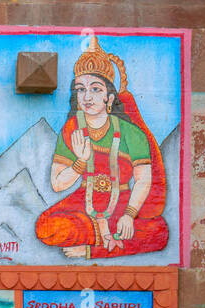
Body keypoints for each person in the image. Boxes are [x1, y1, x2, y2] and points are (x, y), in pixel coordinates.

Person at [36, 36, 169, 259]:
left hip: (123, 202)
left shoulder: (130, 133)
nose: (87, 97)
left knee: (159, 233)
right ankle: (103, 239)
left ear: (109, 97)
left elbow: (144, 180)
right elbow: (58, 184)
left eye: (95, 89)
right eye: (80, 89)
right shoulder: (72, 129)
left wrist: (129, 214)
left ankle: (93, 248)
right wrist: (80, 163)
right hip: (84, 202)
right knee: (46, 227)